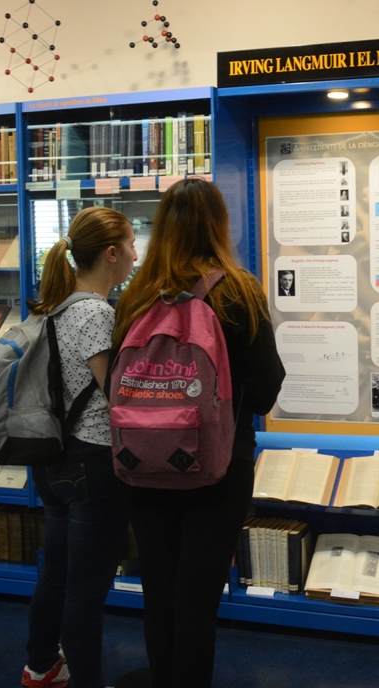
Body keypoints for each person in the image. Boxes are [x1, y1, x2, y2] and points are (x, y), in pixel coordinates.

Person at [113, 178, 285, 688]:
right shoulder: (238, 292)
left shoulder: (136, 295)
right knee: (197, 601)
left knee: (159, 593)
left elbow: (113, 385)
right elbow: (266, 389)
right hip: (218, 466)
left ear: (161, 228)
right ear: (219, 225)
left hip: (142, 462)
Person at [22, 207, 137, 688]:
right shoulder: (96, 313)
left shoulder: (58, 306)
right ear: (111, 254)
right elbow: (115, 395)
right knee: (86, 591)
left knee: (56, 576)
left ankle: (40, 667)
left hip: (54, 459)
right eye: (130, 245)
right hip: (92, 463)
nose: (135, 255)